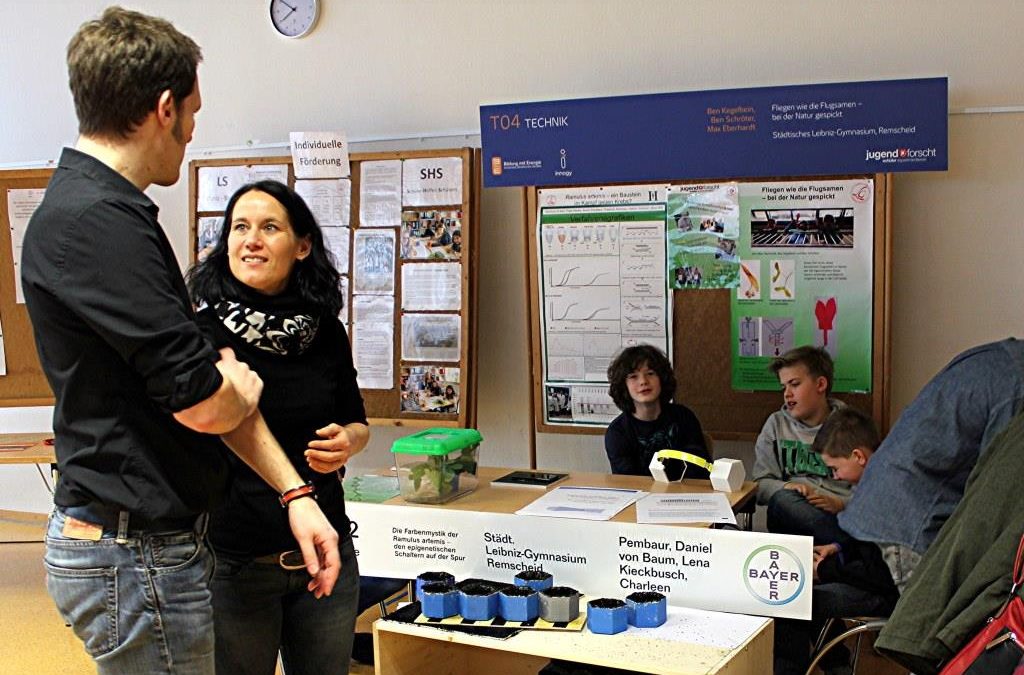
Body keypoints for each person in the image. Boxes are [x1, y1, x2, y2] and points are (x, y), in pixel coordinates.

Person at [21, 9, 339, 673]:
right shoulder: (93, 223)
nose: (194, 131)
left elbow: (205, 380)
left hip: (153, 546)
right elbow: (204, 399)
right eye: (193, 112)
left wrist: (294, 494)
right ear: (165, 107)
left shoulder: (117, 213)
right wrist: (233, 385)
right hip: (130, 553)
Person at [188, 181, 369, 674]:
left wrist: (349, 441)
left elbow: (357, 421)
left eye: (270, 227)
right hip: (236, 562)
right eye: (240, 228)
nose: (251, 240)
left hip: (326, 551)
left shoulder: (326, 331)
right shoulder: (200, 337)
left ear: (302, 245)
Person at [839, 337, 1024, 589]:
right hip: (910, 524)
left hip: (877, 508)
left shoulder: (997, 357)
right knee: (939, 622)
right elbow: (999, 493)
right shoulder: (1016, 388)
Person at [774, 407, 899, 675]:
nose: (835, 477)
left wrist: (827, 570)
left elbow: (881, 572)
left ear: (858, 456)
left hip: (886, 593)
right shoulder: (880, 483)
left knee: (791, 598)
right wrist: (839, 547)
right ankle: (836, 664)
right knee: (799, 589)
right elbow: (868, 544)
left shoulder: (881, 498)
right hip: (873, 579)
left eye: (835, 468)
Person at [752, 346, 851, 544]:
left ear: (820, 384)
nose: (787, 394)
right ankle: (850, 550)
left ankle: (845, 550)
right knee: (782, 501)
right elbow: (760, 485)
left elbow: (872, 490)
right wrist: (788, 486)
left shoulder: (851, 426)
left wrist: (841, 503)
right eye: (783, 387)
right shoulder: (775, 425)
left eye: (794, 384)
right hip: (793, 516)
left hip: (840, 514)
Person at [604, 345, 710, 479]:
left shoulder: (684, 417)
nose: (643, 381)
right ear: (623, 385)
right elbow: (628, 483)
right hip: (642, 497)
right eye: (633, 376)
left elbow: (700, 470)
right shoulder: (618, 432)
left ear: (662, 378)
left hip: (686, 495)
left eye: (650, 374)